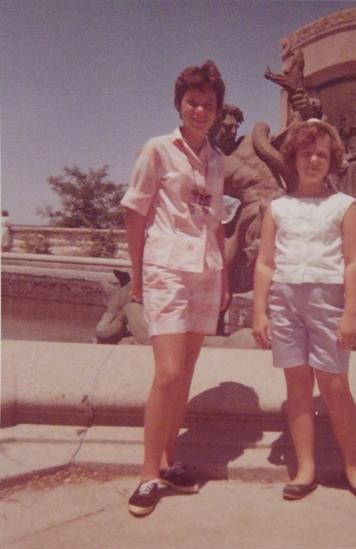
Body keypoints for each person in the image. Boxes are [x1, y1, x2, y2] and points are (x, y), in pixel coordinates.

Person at [121, 60, 230, 516]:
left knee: (184, 375)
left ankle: (168, 461)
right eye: (193, 102)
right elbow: (135, 211)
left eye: (208, 103)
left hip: (205, 271)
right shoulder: (158, 149)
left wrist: (223, 277)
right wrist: (138, 275)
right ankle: (148, 474)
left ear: (217, 109)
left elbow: (218, 223)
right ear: (179, 104)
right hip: (166, 266)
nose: (200, 109)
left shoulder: (218, 160)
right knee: (167, 373)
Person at [252, 119, 356, 505]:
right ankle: (305, 466)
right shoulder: (278, 207)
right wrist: (260, 311)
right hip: (285, 301)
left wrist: (351, 313)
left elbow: (355, 263)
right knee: (297, 387)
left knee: (335, 386)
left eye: (321, 154)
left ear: (332, 159)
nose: (313, 160)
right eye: (306, 153)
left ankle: (353, 467)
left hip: (328, 301)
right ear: (293, 157)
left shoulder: (345, 206)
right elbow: (265, 263)